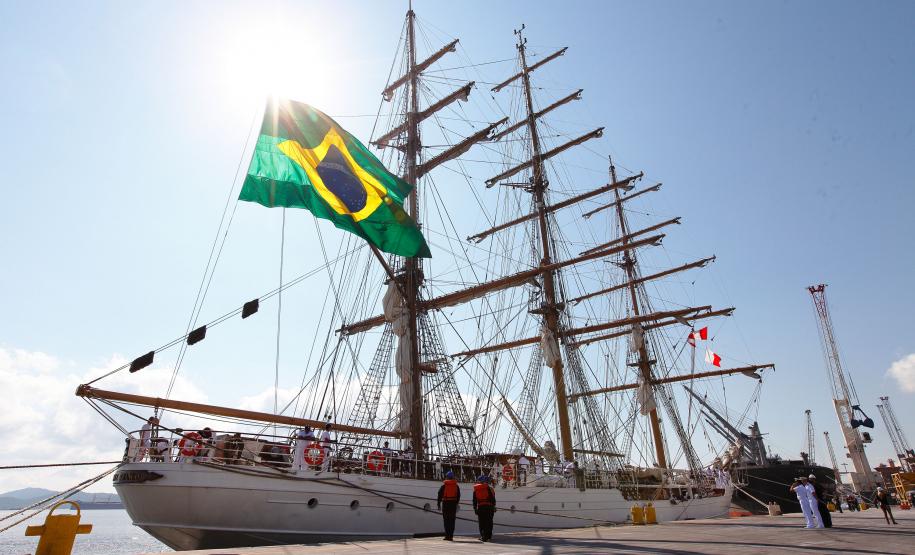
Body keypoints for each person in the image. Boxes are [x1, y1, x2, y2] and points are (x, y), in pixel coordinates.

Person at [436, 470, 460, 541]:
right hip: (453, 504)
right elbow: (458, 496)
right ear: (453, 477)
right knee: (452, 521)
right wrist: (456, 503)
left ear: (447, 477)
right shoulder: (456, 486)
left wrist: (438, 504)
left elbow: (439, 495)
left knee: (446, 521)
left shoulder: (443, 486)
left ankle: (447, 536)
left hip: (446, 504)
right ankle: (451, 536)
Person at [473, 475, 497, 542]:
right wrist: (494, 506)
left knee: (482, 523)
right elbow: (492, 499)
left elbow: (474, 500)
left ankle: (483, 536)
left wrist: (475, 508)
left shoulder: (476, 489)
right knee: (489, 522)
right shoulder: (490, 488)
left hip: (480, 507)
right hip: (489, 507)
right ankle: (489, 536)